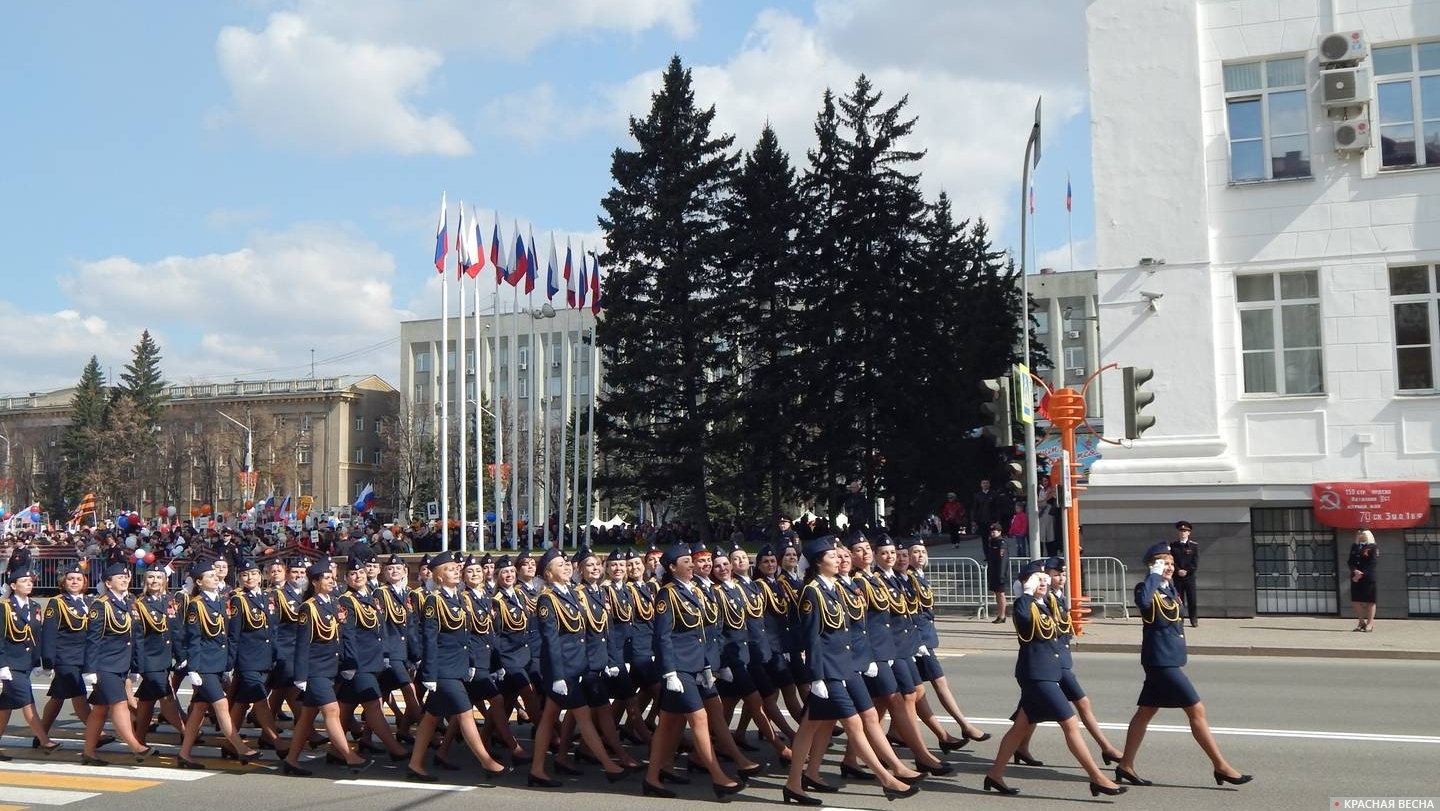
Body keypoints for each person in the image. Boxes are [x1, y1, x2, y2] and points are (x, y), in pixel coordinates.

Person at [782, 537, 919, 806]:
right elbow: (812, 638)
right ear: (819, 562)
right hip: (829, 671)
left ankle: (795, 783)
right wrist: (816, 677)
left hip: (847, 665)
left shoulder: (835, 588)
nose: (838, 560)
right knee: (854, 723)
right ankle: (887, 780)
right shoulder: (812, 592)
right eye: (832, 557)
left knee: (810, 727)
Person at [1113, 543, 1252, 789]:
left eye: (1170, 563)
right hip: (1160, 663)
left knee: (1145, 713)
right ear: (1152, 566)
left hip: (1167, 659)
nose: (1169, 567)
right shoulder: (1147, 587)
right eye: (1163, 563)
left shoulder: (1170, 589)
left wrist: (1162, 579)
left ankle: (1126, 765)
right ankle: (1221, 766)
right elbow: (1144, 603)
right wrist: (1154, 575)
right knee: (1196, 709)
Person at [983, 561, 1124, 797]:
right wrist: (1025, 593)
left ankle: (995, 775)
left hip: (1047, 673)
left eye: (1043, 578)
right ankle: (1097, 778)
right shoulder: (1024, 605)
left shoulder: (1044, 604)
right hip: (1037, 676)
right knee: (1069, 724)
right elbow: (1024, 620)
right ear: (1027, 584)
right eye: (1037, 579)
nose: (1043, 582)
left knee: (1019, 728)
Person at [176, 559, 259, 770]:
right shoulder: (196, 604)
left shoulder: (222, 601)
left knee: (198, 711)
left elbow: (225, 634)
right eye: (210, 576)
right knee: (221, 704)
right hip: (203, 666)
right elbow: (193, 639)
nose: (215, 578)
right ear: (199, 581)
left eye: (215, 575)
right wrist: (192, 669)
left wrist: (227, 662)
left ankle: (184, 754)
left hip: (217, 663)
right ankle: (240, 747)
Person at [80, 564, 156, 765]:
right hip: (104, 665)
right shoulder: (101, 604)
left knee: (100, 710)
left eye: (126, 577)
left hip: (121, 665)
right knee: (120, 703)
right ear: (108, 582)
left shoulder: (130, 602)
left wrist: (135, 667)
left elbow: (135, 636)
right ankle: (136, 746)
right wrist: (89, 669)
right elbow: (93, 638)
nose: (124, 580)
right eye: (119, 577)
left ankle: (88, 752)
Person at [0, 568, 63, 759]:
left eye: (30, 581)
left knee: (5, 707)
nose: (29, 584)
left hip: (26, 663)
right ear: (13, 585)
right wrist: (2, 665)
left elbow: (37, 636)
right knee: (28, 701)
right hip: (10, 664)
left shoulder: (34, 606)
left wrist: (41, 662)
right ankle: (45, 741)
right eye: (24, 581)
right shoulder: (4, 607)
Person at [1347, 529, 1379, 632]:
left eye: (1363, 534)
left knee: (1370, 601)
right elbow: (1350, 561)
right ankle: (1361, 622)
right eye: (1359, 534)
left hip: (1368, 577)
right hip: (1355, 577)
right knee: (1356, 600)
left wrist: (1362, 574)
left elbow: (1372, 563)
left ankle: (1370, 623)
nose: (1360, 536)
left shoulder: (1373, 547)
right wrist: (1354, 571)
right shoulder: (1355, 546)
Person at [1169, 521, 1200, 627]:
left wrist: (1187, 571)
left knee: (1192, 599)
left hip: (1189, 577)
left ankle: (1193, 619)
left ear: (1189, 533)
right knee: (1179, 599)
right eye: (1181, 531)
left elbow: (1194, 563)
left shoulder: (1193, 546)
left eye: (1185, 531)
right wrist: (1178, 571)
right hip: (1178, 577)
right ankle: (1179, 618)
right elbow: (1172, 560)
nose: (1183, 533)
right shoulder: (1173, 546)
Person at [983, 524, 1009, 623]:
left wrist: (1001, 575)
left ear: (999, 532)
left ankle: (1002, 616)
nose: (992, 533)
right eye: (992, 531)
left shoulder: (1001, 543)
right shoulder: (992, 542)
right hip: (993, 572)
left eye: (995, 531)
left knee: (1001, 594)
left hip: (999, 573)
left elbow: (1003, 560)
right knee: (997, 594)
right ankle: (1000, 615)